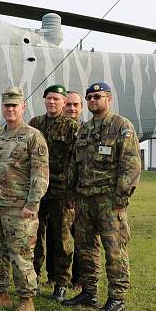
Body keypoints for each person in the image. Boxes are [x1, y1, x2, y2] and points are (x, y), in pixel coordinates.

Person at [63, 82, 141, 311]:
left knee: (114, 250)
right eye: (89, 97)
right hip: (85, 199)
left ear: (109, 99)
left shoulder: (121, 127)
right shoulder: (85, 129)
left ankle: (117, 298)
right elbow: (75, 163)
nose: (92, 100)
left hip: (109, 202)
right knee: (85, 248)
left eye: (97, 96)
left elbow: (131, 165)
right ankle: (88, 292)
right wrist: (70, 193)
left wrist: (121, 198)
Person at [0, 87, 49, 311]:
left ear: (23, 107)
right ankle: (0, 295)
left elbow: (41, 174)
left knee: (20, 255)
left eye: (14, 105)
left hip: (20, 208)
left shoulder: (32, 136)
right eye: (7, 105)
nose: (10, 109)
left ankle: (27, 300)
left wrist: (32, 204)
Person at [28, 85, 80, 302]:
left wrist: (72, 193)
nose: (52, 102)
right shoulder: (35, 124)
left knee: (62, 239)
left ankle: (61, 283)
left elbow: (76, 162)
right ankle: (34, 279)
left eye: (56, 99)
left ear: (63, 102)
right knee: (34, 237)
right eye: (49, 98)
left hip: (61, 192)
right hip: (37, 191)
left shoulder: (71, 127)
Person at [62, 90, 85, 289]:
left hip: (80, 195)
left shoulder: (86, 131)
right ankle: (58, 276)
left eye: (75, 105)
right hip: (60, 192)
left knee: (79, 236)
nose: (71, 108)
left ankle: (78, 278)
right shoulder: (59, 130)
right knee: (60, 237)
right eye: (68, 104)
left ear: (81, 107)